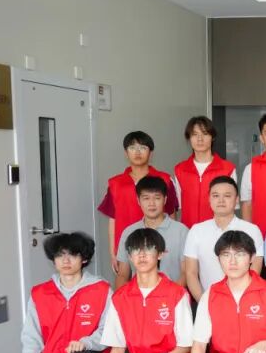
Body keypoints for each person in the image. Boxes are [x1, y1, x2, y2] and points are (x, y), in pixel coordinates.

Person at [7, 233, 110, 353]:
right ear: (53, 260)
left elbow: (109, 330)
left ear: (84, 259)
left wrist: (86, 342)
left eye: (73, 254)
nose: (66, 260)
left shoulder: (101, 289)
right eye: (60, 255)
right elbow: (32, 338)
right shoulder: (40, 293)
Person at [97, 130, 178, 267]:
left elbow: (171, 215)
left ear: (151, 153)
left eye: (143, 147)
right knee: (126, 280)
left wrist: (171, 246)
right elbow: (113, 219)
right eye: (132, 148)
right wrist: (113, 253)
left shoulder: (164, 179)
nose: (137, 152)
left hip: (158, 247)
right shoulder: (115, 183)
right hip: (127, 248)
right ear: (126, 153)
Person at [183, 176, 264, 302]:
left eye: (227, 196)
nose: (221, 200)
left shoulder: (252, 230)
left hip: (243, 301)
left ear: (236, 200)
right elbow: (191, 273)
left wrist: (240, 302)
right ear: (209, 199)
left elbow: (255, 271)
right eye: (215, 196)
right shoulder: (196, 231)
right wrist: (204, 304)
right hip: (208, 301)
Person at [115, 175, 189, 288]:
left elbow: (186, 273)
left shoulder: (181, 231)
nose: (151, 203)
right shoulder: (129, 232)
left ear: (165, 200)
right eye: (146, 198)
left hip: (172, 295)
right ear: (138, 201)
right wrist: (123, 297)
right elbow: (123, 275)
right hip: (138, 297)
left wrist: (171, 295)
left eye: (157, 198)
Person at [173, 116, 236, 229]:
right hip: (189, 231)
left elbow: (232, 206)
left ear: (212, 137)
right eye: (195, 134)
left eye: (205, 134)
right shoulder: (180, 170)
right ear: (189, 138)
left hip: (219, 231)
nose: (200, 139)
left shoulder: (228, 169)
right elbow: (179, 207)